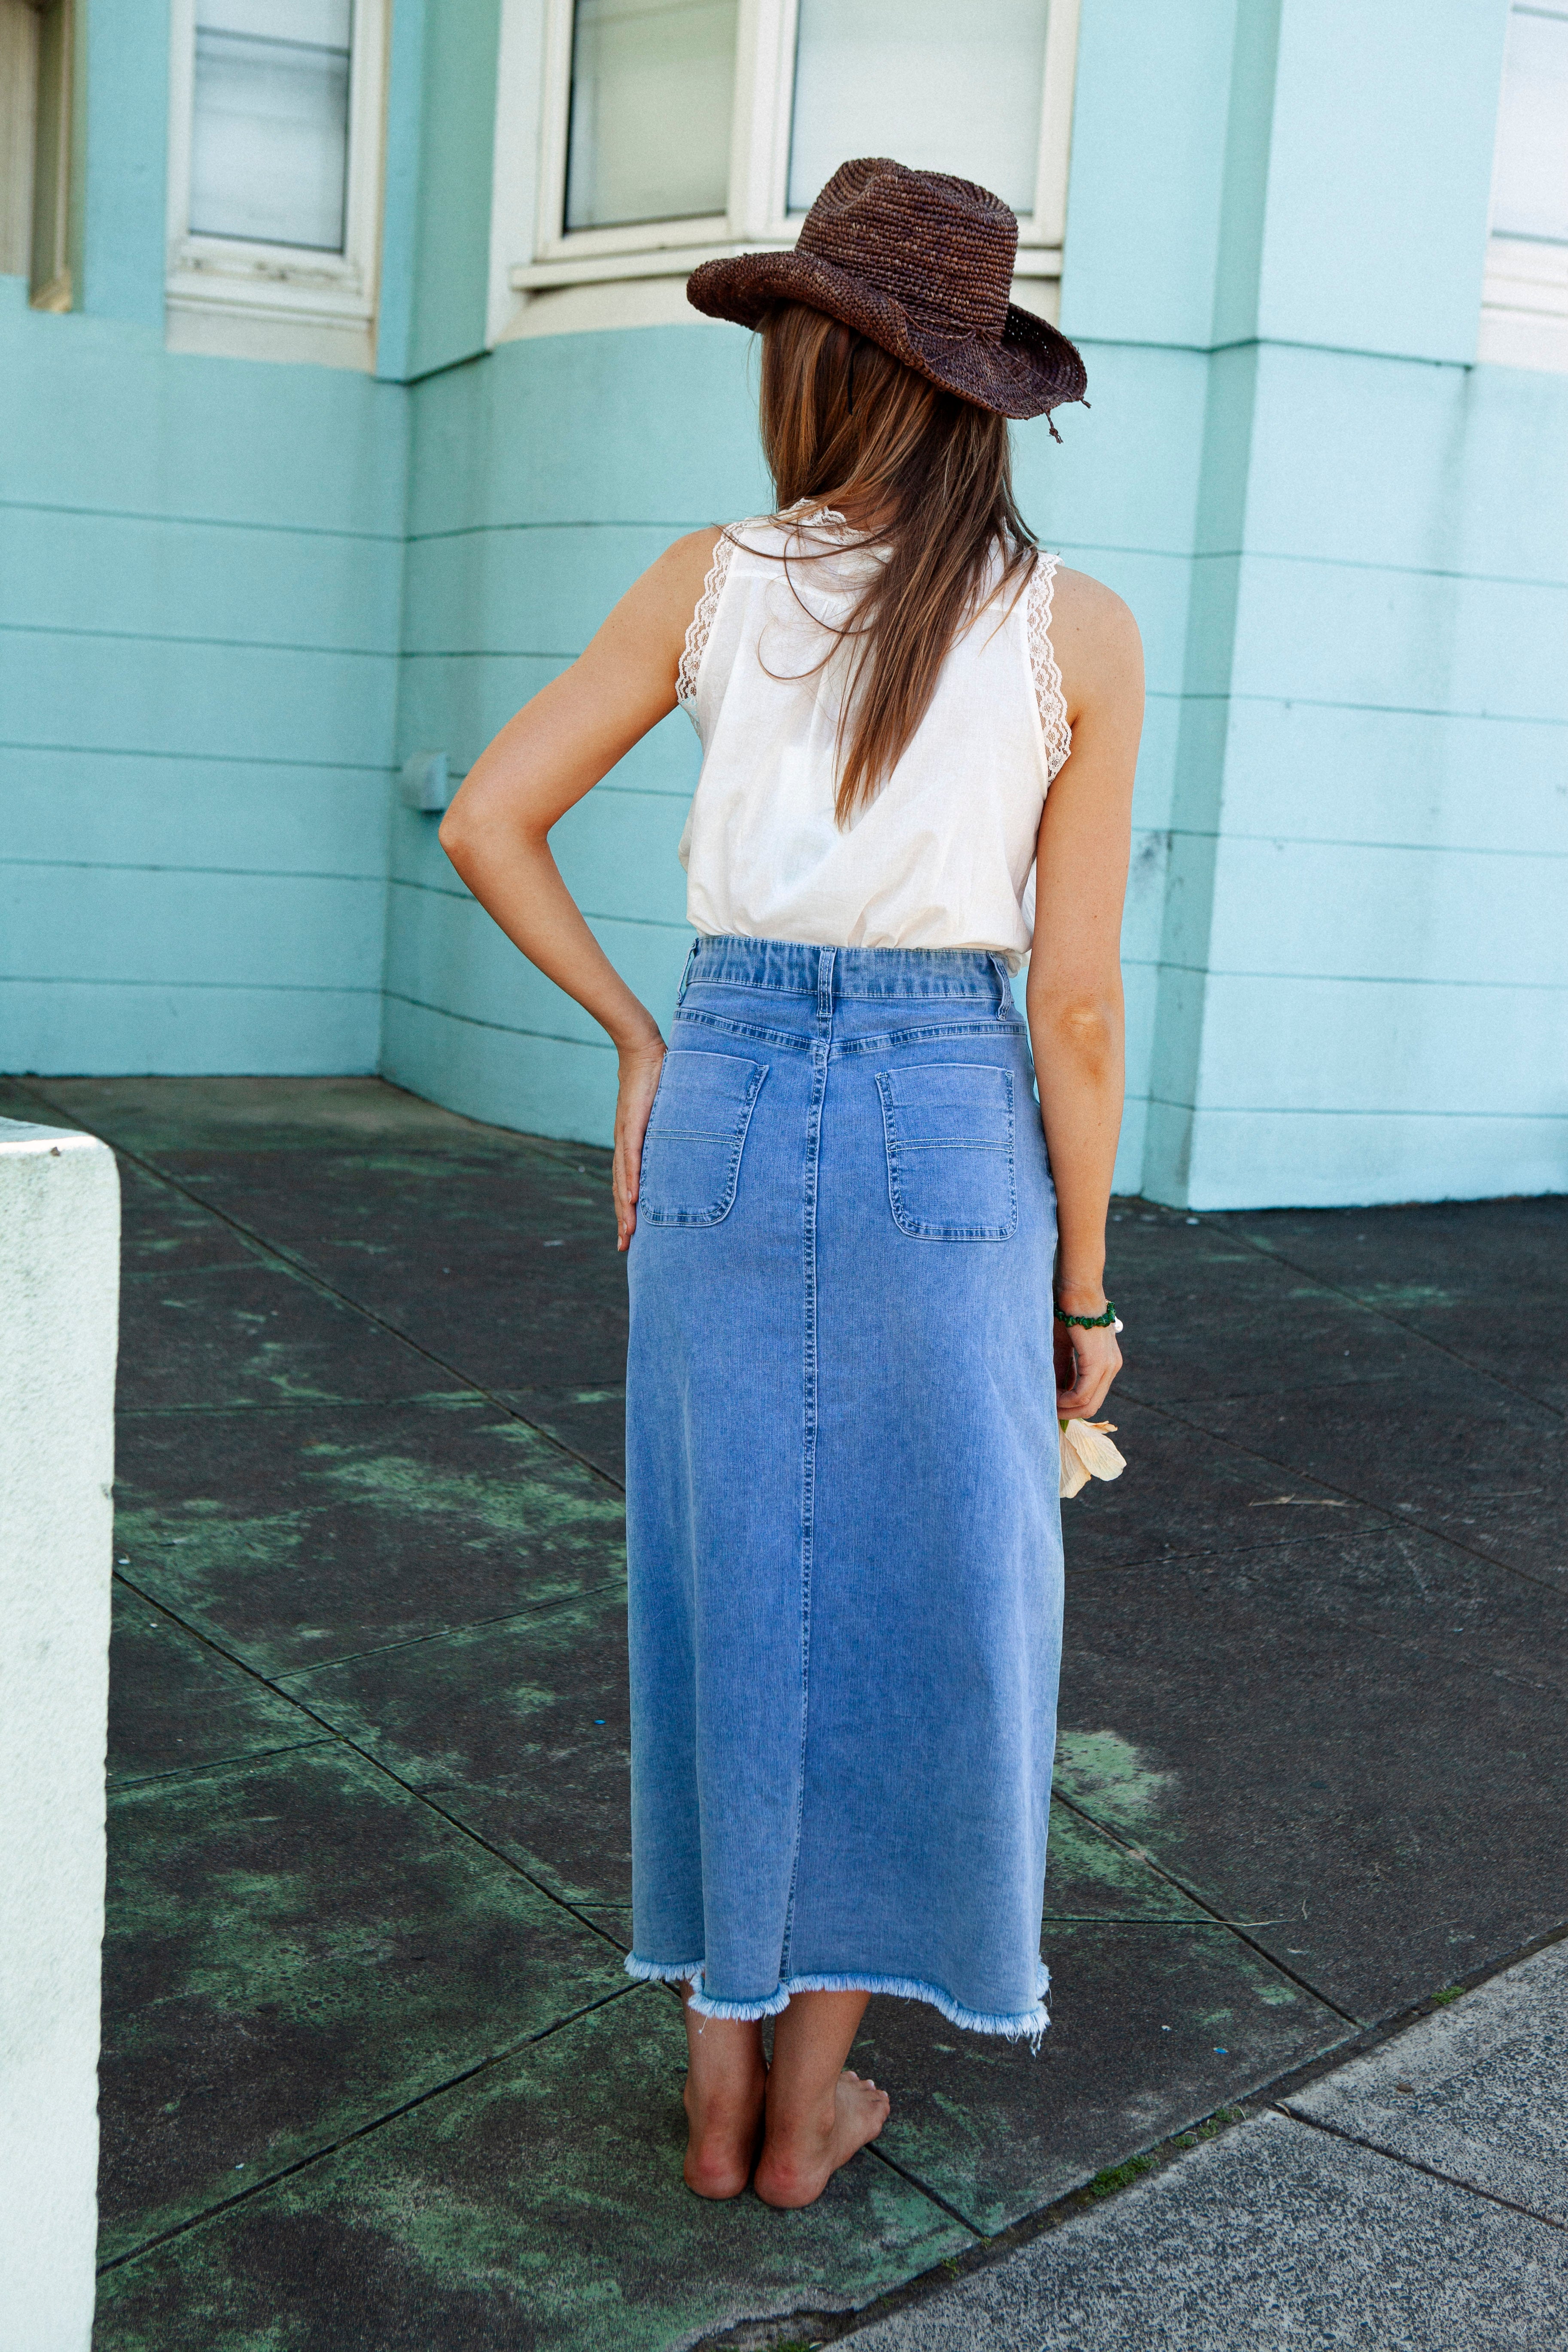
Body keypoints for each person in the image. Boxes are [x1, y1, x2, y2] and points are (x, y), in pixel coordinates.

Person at [438, 158, 1142, 2210]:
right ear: (971, 390)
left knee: (724, 1573)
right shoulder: (1069, 627)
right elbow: (1076, 1008)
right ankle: (808, 2103)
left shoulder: (707, 582)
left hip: (729, 1095)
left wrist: (643, 1040)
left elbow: (492, 820)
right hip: (949, 1121)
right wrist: (1081, 1294)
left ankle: (715, 2074)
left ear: (817, 372)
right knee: (929, 1596)